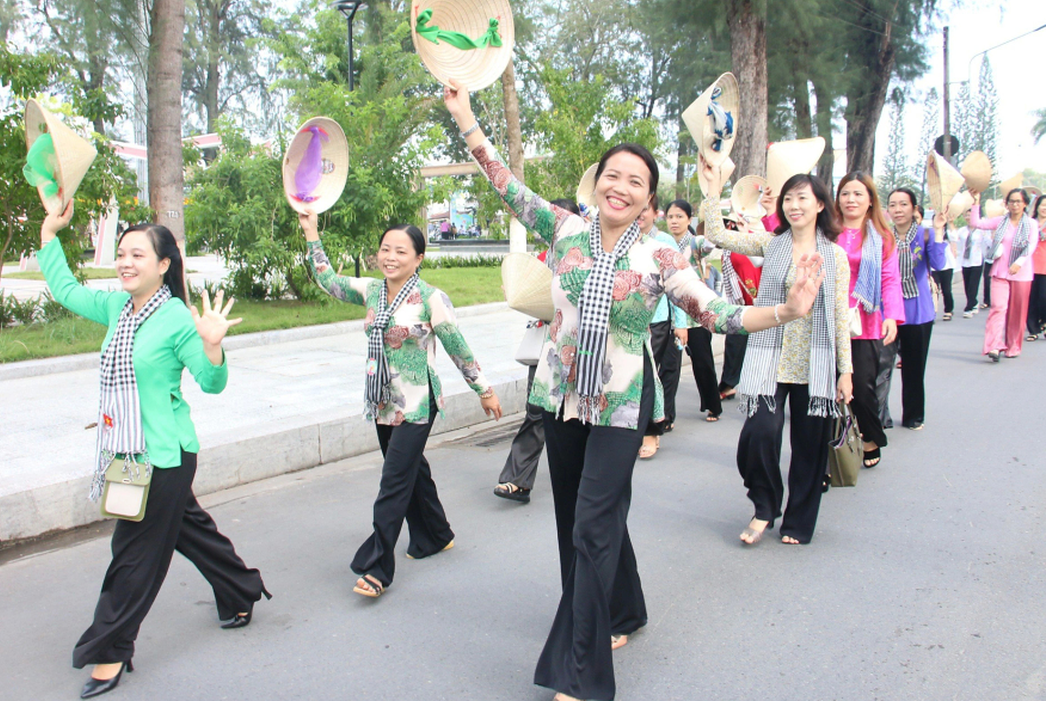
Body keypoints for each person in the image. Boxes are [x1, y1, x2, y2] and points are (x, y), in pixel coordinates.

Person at [444, 78, 825, 701]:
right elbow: (502, 181)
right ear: (598, 183)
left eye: (635, 183)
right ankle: (626, 608)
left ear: (648, 199)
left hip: (622, 406)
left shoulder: (660, 253)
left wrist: (785, 311)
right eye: (612, 176)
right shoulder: (563, 229)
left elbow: (717, 313)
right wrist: (466, 118)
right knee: (578, 521)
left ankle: (582, 670)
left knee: (593, 525)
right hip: (562, 397)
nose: (620, 188)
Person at [37, 201, 269, 699]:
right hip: (127, 453)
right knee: (190, 531)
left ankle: (110, 648)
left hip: (164, 456)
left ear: (163, 264)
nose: (125, 262)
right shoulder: (117, 308)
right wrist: (49, 234)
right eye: (121, 253)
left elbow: (211, 382)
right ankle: (241, 591)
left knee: (134, 554)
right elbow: (65, 289)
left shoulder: (178, 320)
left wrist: (212, 345)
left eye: (137, 254)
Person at [299, 207, 502, 597]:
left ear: (419, 259)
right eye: (385, 249)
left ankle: (378, 567)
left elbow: (457, 346)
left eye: (401, 251)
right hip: (382, 400)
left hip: (417, 404)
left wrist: (484, 388)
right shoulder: (372, 290)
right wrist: (311, 233)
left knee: (393, 481)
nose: (390, 257)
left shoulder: (430, 298)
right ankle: (434, 535)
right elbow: (327, 280)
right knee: (411, 472)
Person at [703, 164, 852, 545]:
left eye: (802, 198)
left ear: (820, 204)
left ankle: (799, 520)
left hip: (814, 361)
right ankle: (765, 506)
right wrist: (712, 190)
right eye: (788, 198)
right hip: (770, 356)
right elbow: (718, 235)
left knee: (809, 444)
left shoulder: (834, 256)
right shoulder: (771, 244)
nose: (793, 205)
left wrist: (845, 371)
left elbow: (839, 316)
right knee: (759, 433)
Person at [494, 198, 580, 501]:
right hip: (548, 344)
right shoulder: (542, 259)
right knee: (537, 408)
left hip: (586, 349)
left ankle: (590, 473)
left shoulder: (588, 258)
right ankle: (517, 479)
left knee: (581, 415)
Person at [834, 172, 904, 469]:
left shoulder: (882, 238)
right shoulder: (825, 231)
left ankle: (870, 436)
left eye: (858, 194)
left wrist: (892, 317)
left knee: (862, 390)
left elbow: (890, 280)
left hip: (866, 321)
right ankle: (829, 451)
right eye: (846, 193)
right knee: (827, 391)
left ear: (870, 200)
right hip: (828, 321)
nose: (851, 199)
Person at [887, 189, 948, 430]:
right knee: (880, 368)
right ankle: (879, 415)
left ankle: (913, 415)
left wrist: (939, 231)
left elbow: (940, 263)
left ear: (914, 209)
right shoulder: (883, 237)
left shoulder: (925, 235)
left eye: (903, 204)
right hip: (887, 311)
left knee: (913, 368)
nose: (898, 209)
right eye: (893, 205)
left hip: (918, 311)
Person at [664, 199, 724, 422]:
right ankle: (665, 414)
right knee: (668, 367)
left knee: (702, 362)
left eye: (679, 216)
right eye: (670, 217)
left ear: (689, 219)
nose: (674, 221)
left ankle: (713, 405)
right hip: (671, 313)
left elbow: (709, 245)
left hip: (696, 313)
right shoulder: (663, 243)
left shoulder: (695, 243)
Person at [969, 187, 1040, 360]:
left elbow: (1031, 245)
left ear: (1024, 204)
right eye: (1011, 201)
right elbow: (977, 223)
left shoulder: (1031, 224)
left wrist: (1019, 263)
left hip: (1021, 273)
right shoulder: (1001, 221)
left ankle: (1013, 345)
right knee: (998, 308)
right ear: (1006, 204)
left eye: (1018, 201)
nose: (1014, 204)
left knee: (1017, 312)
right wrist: (976, 202)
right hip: (1000, 272)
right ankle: (993, 346)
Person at [636, 200, 682, 458]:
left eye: (645, 209)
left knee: (648, 375)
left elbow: (680, 287)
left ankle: (651, 432)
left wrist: (681, 324)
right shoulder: (621, 237)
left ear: (655, 213)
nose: (640, 215)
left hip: (657, 319)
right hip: (625, 321)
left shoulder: (665, 242)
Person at [717, 212, 763, 401]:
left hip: (760, 300)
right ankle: (728, 384)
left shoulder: (754, 238)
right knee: (735, 343)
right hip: (739, 303)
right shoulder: (728, 248)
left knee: (760, 347)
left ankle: (760, 387)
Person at [953, 216, 988, 317]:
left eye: (971, 215)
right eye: (967, 215)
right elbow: (954, 239)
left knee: (973, 285)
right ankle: (974, 303)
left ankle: (969, 307)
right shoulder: (962, 230)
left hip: (976, 261)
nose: (969, 217)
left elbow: (988, 243)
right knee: (967, 286)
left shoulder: (981, 231)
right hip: (965, 261)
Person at [926, 205, 956, 321]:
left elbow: (955, 238)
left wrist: (950, 223)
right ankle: (932, 312)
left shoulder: (947, 233)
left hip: (947, 266)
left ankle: (948, 310)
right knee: (934, 290)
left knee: (946, 289)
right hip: (934, 267)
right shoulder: (928, 233)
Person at [1026, 194, 1046, 340]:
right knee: (1031, 299)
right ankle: (1033, 330)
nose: (1044, 208)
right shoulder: (1030, 223)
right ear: (1037, 206)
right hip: (1030, 265)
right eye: (1042, 205)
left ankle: (1044, 322)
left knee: (1043, 298)